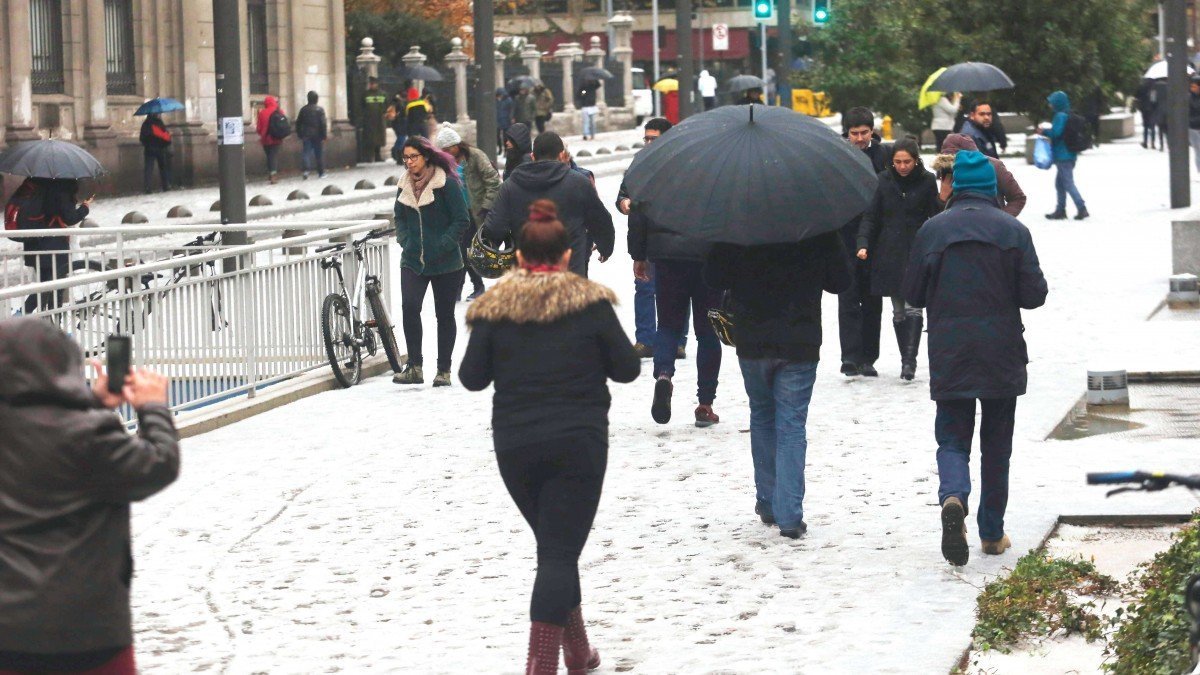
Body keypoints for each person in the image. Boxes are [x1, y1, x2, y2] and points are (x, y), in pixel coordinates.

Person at [459, 200, 639, 675]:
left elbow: (472, 377)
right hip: (579, 442)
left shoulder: (493, 309)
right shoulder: (591, 304)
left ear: (517, 258)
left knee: (555, 547)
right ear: (565, 256)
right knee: (560, 551)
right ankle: (541, 664)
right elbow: (627, 369)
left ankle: (577, 650)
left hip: (516, 447)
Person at [0, 317, 179, 675]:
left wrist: (93, 406)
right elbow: (157, 464)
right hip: (86, 631)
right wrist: (153, 408)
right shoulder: (91, 435)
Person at [901, 150, 1048, 566]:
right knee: (997, 444)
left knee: (951, 436)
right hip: (1001, 350)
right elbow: (1034, 296)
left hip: (950, 348)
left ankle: (952, 495)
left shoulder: (932, 230)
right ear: (991, 187)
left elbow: (912, 293)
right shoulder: (1012, 230)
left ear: (956, 185)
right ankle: (991, 532)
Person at [705, 231, 852, 538]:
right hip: (800, 338)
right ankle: (788, 514)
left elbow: (713, 276)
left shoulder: (738, 221)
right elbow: (841, 281)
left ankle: (768, 500)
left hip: (752, 338)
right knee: (791, 425)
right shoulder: (817, 225)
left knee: (762, 416)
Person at [623, 121, 722, 427]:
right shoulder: (712, 170)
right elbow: (726, 214)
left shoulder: (652, 170)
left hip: (667, 259)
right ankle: (705, 404)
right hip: (707, 259)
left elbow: (638, 213)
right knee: (708, 332)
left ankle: (664, 376)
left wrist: (639, 256)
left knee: (667, 325)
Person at [855, 136, 940, 381]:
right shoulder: (883, 181)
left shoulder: (926, 181)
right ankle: (906, 357)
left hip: (916, 247)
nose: (902, 166)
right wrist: (863, 243)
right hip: (889, 250)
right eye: (898, 162)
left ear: (916, 160)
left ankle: (909, 362)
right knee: (898, 309)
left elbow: (934, 215)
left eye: (907, 162)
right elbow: (871, 215)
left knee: (915, 305)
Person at [391, 137, 471, 387]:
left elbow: (462, 220)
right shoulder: (403, 185)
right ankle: (415, 366)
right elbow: (399, 218)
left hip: (446, 262)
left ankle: (443, 370)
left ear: (425, 156)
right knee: (409, 307)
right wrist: (406, 240)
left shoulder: (445, 183)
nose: (409, 162)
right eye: (405, 157)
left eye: (413, 156)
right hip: (413, 260)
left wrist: (443, 244)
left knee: (444, 314)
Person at [484, 132, 615, 278]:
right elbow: (601, 221)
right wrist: (606, 247)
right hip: (569, 273)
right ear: (561, 155)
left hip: (527, 275)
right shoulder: (579, 183)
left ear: (533, 156)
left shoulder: (510, 186)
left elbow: (494, 228)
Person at [616, 119, 688, 360]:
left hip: (674, 238)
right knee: (644, 287)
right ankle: (645, 339)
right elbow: (623, 193)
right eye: (646, 138)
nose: (647, 143)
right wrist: (623, 202)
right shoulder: (638, 164)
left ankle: (678, 341)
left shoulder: (682, 166)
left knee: (677, 290)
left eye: (653, 139)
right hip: (644, 238)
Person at [838, 107, 892, 377]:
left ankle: (869, 356)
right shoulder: (838, 155)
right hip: (846, 234)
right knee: (847, 297)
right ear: (846, 133)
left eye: (864, 133)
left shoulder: (884, 155)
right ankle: (849, 356)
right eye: (854, 133)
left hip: (877, 237)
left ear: (872, 131)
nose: (859, 138)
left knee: (872, 299)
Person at [435, 123, 501, 302]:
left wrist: (486, 206)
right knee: (459, 250)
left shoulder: (475, 156)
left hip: (475, 211)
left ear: (457, 145)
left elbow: (493, 181)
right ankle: (463, 287)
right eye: (443, 151)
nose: (446, 153)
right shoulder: (443, 163)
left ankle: (475, 286)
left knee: (467, 250)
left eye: (448, 149)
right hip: (456, 213)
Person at [10, 178, 92, 314]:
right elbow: (70, 218)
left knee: (44, 286)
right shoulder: (63, 187)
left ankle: (41, 320)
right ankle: (26, 317)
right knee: (55, 287)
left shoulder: (34, 182)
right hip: (54, 246)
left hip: (34, 243)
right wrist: (85, 207)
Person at [936, 133, 1027, 217]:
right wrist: (942, 199)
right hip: (958, 228)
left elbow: (1017, 197)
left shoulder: (994, 166)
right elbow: (940, 215)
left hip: (991, 227)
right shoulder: (947, 169)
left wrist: (1001, 219)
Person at [1041, 90, 1089, 221]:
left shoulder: (1060, 116)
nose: (1050, 105)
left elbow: (1056, 133)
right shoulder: (1067, 114)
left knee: (1067, 183)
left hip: (1063, 156)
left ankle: (1081, 208)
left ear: (1057, 103)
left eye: (1051, 102)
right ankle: (1060, 210)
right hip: (1069, 154)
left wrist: (1044, 131)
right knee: (1060, 184)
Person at [294, 90, 328, 179]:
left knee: (306, 153)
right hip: (317, 135)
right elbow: (323, 123)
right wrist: (324, 135)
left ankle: (306, 170)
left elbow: (298, 123)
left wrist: (299, 133)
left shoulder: (303, 109)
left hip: (306, 134)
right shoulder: (320, 110)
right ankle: (321, 173)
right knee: (319, 154)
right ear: (316, 99)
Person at [138, 113, 172, 193]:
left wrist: (147, 144)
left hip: (149, 149)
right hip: (160, 148)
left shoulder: (146, 124)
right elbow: (166, 136)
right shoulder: (159, 123)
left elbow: (142, 138)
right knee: (163, 168)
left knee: (148, 169)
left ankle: (148, 188)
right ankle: (166, 185)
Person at [255, 95, 286, 183]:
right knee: (273, 156)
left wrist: (262, 134)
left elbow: (258, 128)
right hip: (277, 138)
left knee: (269, 156)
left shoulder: (262, 113)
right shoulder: (279, 111)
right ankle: (273, 174)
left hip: (265, 139)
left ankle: (271, 173)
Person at [361, 77, 388, 162]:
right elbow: (362, 106)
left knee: (379, 138)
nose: (372, 85)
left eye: (373, 83)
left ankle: (378, 156)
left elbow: (387, 105)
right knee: (369, 138)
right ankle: (369, 156)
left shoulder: (383, 94)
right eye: (371, 84)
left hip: (379, 119)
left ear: (377, 84)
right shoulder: (365, 94)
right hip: (369, 120)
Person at [1135, 78, 1160, 149]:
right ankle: (1152, 143)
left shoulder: (1142, 86)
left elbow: (1136, 96)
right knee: (1152, 126)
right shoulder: (1153, 87)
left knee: (1145, 126)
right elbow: (1154, 100)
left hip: (1144, 109)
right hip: (1152, 109)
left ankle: (1145, 142)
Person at [387, 93, 407, 163]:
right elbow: (402, 114)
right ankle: (397, 153)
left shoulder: (394, 103)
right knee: (401, 138)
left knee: (400, 138)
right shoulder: (399, 104)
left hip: (396, 123)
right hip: (400, 123)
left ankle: (396, 152)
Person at [496, 88, 515, 155]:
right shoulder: (495, 101)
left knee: (505, 137)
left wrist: (511, 117)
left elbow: (512, 109)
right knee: (497, 136)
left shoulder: (508, 100)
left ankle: (505, 151)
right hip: (497, 120)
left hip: (506, 120)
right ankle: (500, 149)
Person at [1189, 77, 1200, 172]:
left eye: (1194, 86)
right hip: (1193, 128)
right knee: (1198, 150)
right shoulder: (1188, 97)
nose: (1192, 88)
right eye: (1191, 86)